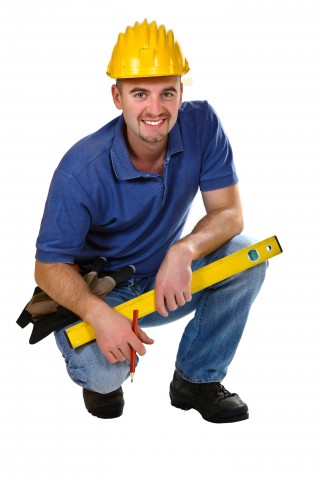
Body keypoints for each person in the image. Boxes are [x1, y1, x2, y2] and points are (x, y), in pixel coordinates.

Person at [34, 19, 267, 423]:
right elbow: (47, 266)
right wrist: (97, 314)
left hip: (167, 280)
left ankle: (196, 379)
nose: (155, 109)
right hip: (104, 292)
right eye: (140, 93)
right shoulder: (80, 169)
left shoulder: (202, 125)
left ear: (181, 93)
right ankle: (100, 373)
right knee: (101, 373)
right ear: (117, 96)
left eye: (167, 93)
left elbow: (229, 212)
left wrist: (183, 250)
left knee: (246, 255)